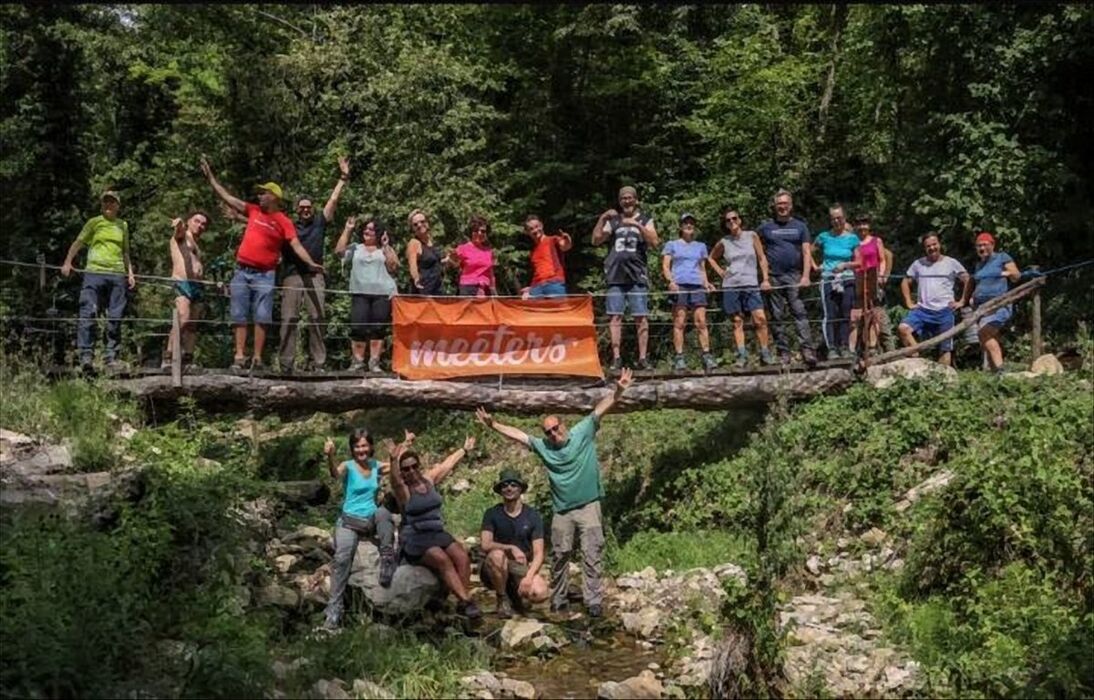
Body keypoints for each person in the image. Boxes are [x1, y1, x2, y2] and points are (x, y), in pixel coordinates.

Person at [475, 368, 635, 619]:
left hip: (589, 505)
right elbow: (519, 436)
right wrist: (493, 424)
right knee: (560, 556)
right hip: (562, 510)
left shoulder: (583, 431)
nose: (552, 433)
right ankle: (559, 600)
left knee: (592, 553)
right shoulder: (544, 447)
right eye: (547, 431)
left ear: (563, 424)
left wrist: (619, 390)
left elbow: (601, 409)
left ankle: (593, 601)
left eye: (555, 428)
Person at [200, 157, 324, 371]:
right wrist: (211, 178)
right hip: (242, 271)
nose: (260, 196)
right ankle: (239, 357)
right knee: (239, 313)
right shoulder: (253, 211)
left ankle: (257, 359)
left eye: (263, 193)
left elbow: (296, 245)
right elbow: (228, 198)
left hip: (265, 274)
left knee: (262, 315)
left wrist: (311, 263)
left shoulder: (284, 221)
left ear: (274, 197)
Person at [388, 433, 481, 620]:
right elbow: (395, 481)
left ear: (419, 466)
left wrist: (464, 450)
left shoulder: (429, 480)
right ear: (402, 471)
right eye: (406, 469)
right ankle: (467, 601)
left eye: (414, 466)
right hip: (415, 537)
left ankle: (459, 601)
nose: (411, 471)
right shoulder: (403, 490)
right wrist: (392, 461)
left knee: (462, 557)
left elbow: (447, 464)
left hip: (437, 533)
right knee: (442, 559)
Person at [277, 157, 350, 374]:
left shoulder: (319, 222)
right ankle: (286, 365)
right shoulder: (288, 225)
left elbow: (333, 200)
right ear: (297, 210)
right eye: (302, 208)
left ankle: (318, 364)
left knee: (317, 318)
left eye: (309, 207)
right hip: (291, 275)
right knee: (289, 318)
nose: (306, 210)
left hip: (315, 275)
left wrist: (343, 177)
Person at [320, 428, 397, 631]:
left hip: (370, 519)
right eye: (357, 446)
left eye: (364, 446)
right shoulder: (348, 466)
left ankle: (387, 558)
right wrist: (330, 456)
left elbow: (399, 468)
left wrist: (397, 453)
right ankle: (334, 610)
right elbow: (335, 474)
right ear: (352, 449)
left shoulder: (376, 466)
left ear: (370, 447)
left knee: (384, 513)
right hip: (349, 521)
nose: (361, 450)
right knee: (342, 560)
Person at [60, 191, 136, 373]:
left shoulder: (123, 225)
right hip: (94, 272)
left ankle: (111, 356)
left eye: (112, 202)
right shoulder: (94, 222)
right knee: (89, 311)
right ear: (101, 205)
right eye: (105, 202)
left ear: (118, 206)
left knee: (115, 315)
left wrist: (130, 273)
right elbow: (78, 242)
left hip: (117, 274)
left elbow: (125, 251)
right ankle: (86, 356)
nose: (108, 205)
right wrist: (68, 262)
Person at [592, 186, 659, 371]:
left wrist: (637, 225)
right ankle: (617, 358)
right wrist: (602, 218)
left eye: (630, 198)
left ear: (636, 200)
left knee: (641, 316)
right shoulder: (613, 221)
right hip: (615, 275)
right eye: (623, 198)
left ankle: (643, 358)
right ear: (620, 201)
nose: (627, 201)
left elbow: (654, 242)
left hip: (637, 275)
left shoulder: (646, 219)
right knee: (615, 316)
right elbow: (596, 240)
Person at [707, 207, 776, 368]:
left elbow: (762, 258)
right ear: (725, 224)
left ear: (740, 219)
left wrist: (765, 279)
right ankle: (742, 355)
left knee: (760, 318)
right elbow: (711, 258)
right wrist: (721, 272)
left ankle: (765, 353)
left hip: (751, 283)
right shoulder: (724, 241)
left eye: (734, 218)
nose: (732, 222)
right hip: (731, 284)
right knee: (737, 321)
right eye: (728, 220)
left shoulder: (751, 236)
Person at [756, 189, 817, 366]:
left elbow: (806, 252)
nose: (782, 207)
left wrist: (806, 276)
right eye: (779, 204)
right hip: (773, 277)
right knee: (777, 315)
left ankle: (807, 350)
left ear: (791, 206)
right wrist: (763, 276)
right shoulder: (766, 227)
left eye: (785, 204)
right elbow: (754, 246)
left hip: (794, 276)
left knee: (799, 312)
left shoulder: (800, 226)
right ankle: (783, 352)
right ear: (774, 206)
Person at [480, 468, 550, 618]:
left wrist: (529, 577)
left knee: (541, 592)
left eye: (513, 485)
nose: (509, 488)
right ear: (500, 490)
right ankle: (501, 599)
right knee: (497, 555)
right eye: (505, 485)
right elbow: (485, 544)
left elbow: (539, 553)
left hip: (519, 568)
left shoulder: (533, 516)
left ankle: (515, 594)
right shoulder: (492, 513)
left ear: (520, 489)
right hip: (494, 567)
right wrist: (510, 548)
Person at [335, 216, 399, 372]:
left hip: (382, 294)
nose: (367, 231)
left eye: (371, 229)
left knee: (378, 329)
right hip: (360, 293)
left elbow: (394, 267)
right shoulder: (356, 248)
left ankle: (374, 362)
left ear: (378, 232)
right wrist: (348, 229)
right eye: (365, 228)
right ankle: (357, 361)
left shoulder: (384, 249)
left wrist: (386, 245)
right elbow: (339, 252)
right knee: (358, 327)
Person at [898, 233, 972, 366]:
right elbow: (905, 281)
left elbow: (968, 279)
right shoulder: (918, 264)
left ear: (939, 244)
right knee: (903, 329)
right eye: (928, 246)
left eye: (934, 244)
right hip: (922, 310)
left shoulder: (951, 262)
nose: (932, 248)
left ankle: (942, 376)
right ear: (924, 248)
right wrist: (909, 302)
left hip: (945, 311)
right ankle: (918, 360)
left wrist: (962, 301)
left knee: (945, 348)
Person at [661, 213, 717, 372]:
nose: (689, 225)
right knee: (680, 322)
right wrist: (671, 282)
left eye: (691, 223)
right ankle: (679, 357)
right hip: (679, 285)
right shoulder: (672, 244)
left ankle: (706, 355)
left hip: (697, 285)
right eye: (686, 223)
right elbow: (665, 265)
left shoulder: (701, 246)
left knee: (701, 321)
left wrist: (706, 283)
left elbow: (702, 268)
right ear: (680, 226)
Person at [962, 231, 1021, 372]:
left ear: (992, 245)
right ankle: (994, 372)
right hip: (981, 308)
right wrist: (965, 300)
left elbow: (1016, 276)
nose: (982, 248)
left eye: (985, 245)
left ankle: (1000, 369)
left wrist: (1006, 273)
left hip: (999, 305)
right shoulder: (979, 266)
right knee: (987, 339)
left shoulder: (1002, 257)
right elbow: (972, 283)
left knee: (984, 333)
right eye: (979, 246)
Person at [836, 213, 888, 363]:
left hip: (873, 278)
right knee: (855, 316)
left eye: (865, 223)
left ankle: (872, 347)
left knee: (873, 314)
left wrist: (882, 275)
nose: (862, 227)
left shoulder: (876, 241)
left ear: (869, 225)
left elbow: (882, 259)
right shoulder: (852, 242)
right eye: (859, 224)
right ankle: (852, 350)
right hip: (856, 280)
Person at [163, 211, 210, 369]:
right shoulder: (182, 237)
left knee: (193, 324)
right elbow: (178, 230)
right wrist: (178, 223)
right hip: (182, 282)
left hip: (197, 285)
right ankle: (168, 356)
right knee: (183, 317)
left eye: (203, 224)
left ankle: (188, 358)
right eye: (197, 221)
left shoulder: (197, 244)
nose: (200, 225)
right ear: (189, 221)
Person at [813, 205, 859, 360]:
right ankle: (831, 348)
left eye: (839, 218)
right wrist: (815, 266)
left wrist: (846, 265)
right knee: (830, 314)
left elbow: (859, 261)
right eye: (833, 219)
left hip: (846, 278)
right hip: (828, 278)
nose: (836, 221)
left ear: (844, 218)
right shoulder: (823, 236)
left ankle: (844, 346)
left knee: (846, 313)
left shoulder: (852, 238)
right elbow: (808, 251)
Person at [521, 215, 572, 298]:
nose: (535, 230)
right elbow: (538, 272)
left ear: (541, 225)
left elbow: (565, 246)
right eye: (531, 229)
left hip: (554, 283)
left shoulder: (552, 240)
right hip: (537, 287)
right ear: (527, 232)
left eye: (537, 226)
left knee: (560, 307)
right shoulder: (533, 252)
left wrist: (567, 239)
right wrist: (530, 288)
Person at [447, 215, 497, 297]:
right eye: (476, 230)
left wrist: (494, 290)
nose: (479, 233)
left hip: (485, 290)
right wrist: (452, 258)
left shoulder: (489, 251)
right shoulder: (463, 249)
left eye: (483, 231)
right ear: (471, 232)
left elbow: (491, 274)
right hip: (468, 288)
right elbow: (454, 264)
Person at [405, 209, 445, 295]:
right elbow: (412, 265)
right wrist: (416, 278)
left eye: (422, 221)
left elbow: (435, 263)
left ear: (428, 222)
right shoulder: (414, 243)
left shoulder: (432, 243)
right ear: (412, 228)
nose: (419, 225)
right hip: (423, 290)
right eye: (415, 224)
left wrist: (450, 259)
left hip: (437, 289)